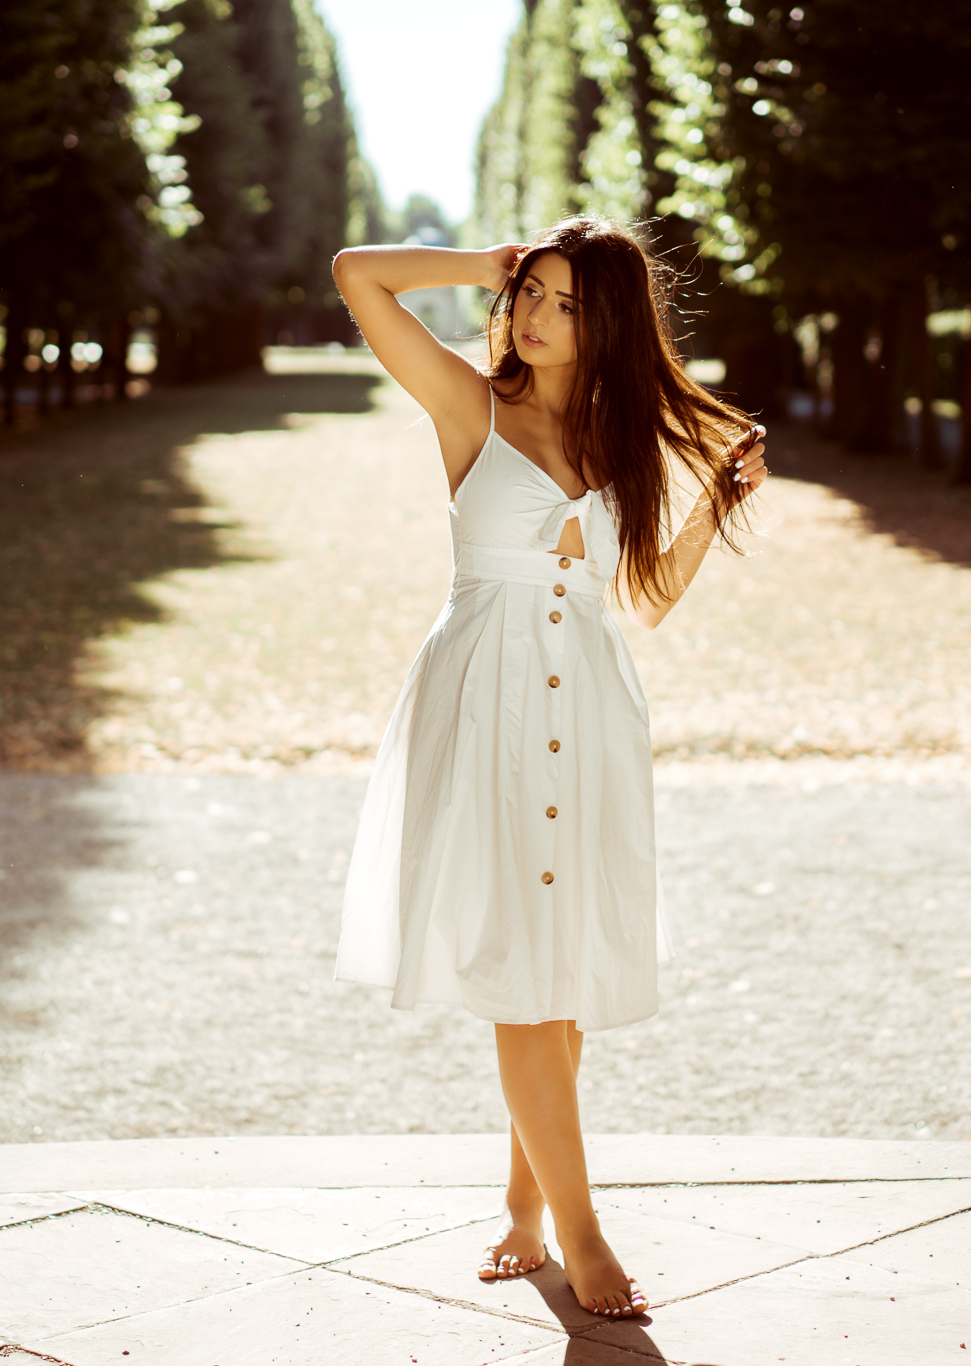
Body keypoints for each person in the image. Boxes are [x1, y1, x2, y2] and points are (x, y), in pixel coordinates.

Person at [329, 216, 768, 1320]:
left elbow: (646, 599)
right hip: (487, 708)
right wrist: (481, 265)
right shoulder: (468, 404)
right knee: (522, 974)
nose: (533, 315)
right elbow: (355, 276)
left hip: (594, 710)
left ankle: (523, 1212)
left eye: (566, 303)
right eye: (530, 292)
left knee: (558, 977)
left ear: (605, 322)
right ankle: (581, 1232)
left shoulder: (622, 441)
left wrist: (716, 504)